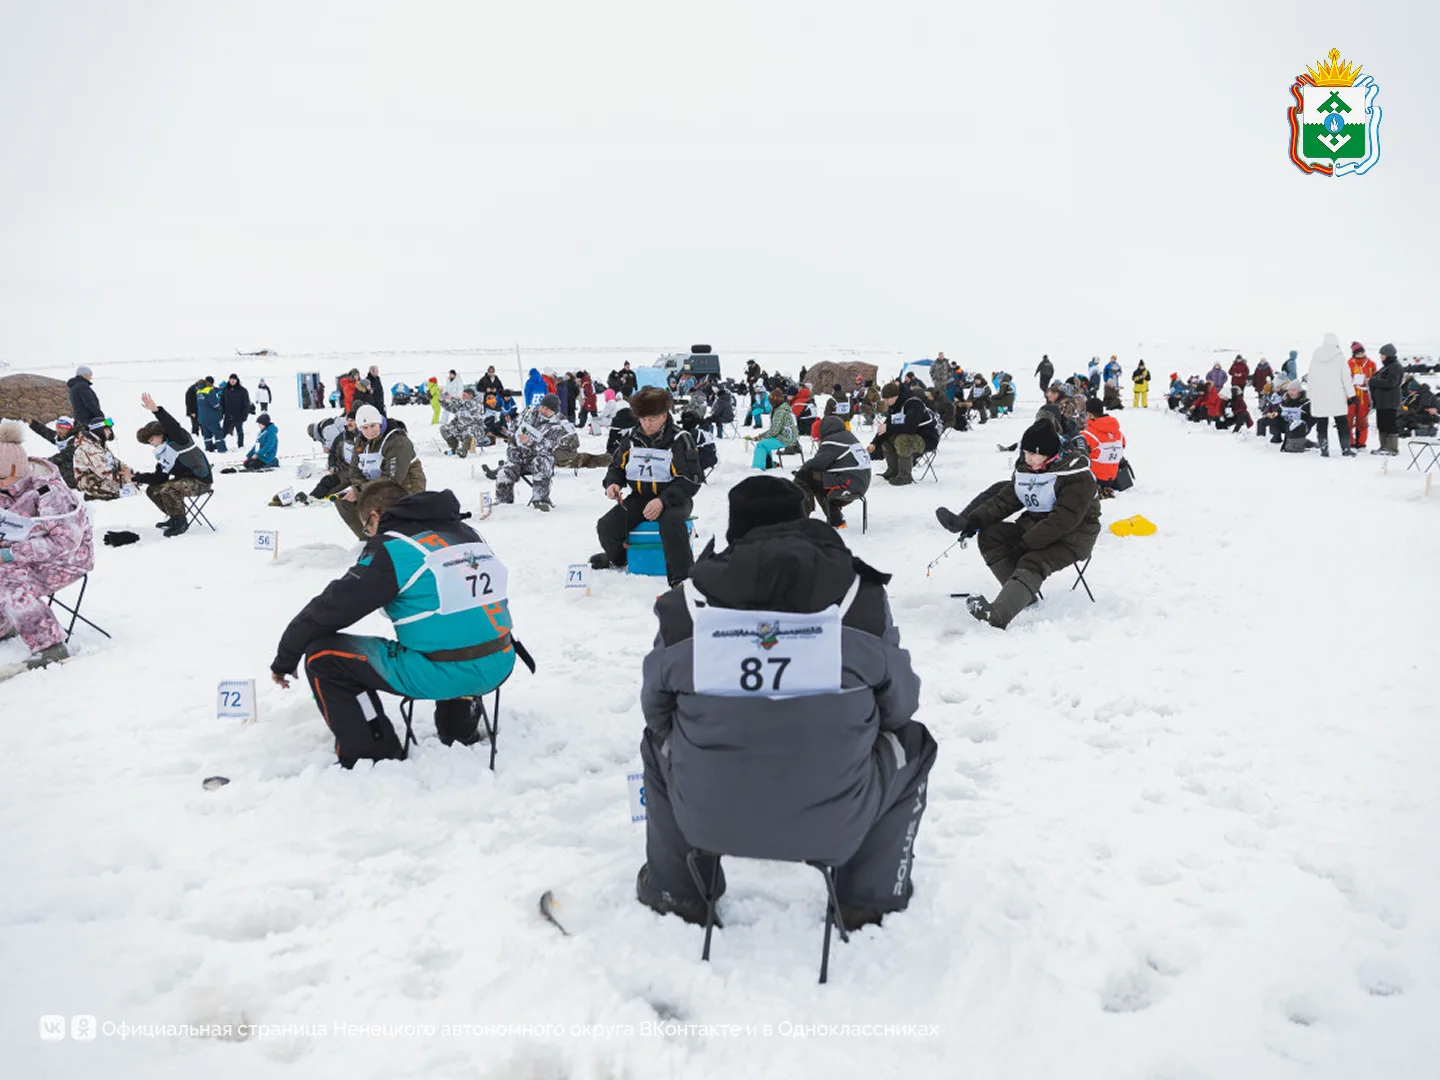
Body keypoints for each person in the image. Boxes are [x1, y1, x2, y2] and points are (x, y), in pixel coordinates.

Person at [633, 476, 935, 928]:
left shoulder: (686, 605)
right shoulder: (861, 598)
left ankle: (678, 891)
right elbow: (900, 706)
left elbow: (656, 711)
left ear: (734, 530)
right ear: (803, 520)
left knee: (656, 744)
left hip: (707, 818)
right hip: (839, 820)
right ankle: (868, 898)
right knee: (913, 742)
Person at [270, 481, 529, 768]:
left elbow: (331, 608)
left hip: (444, 672)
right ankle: (458, 720)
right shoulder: (467, 533)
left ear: (375, 515)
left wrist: (286, 657)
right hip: (500, 660)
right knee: (453, 625)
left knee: (323, 655)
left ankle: (372, 751)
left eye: (366, 528)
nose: (369, 535)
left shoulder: (394, 546)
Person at [934, 419, 1100, 630]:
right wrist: (974, 521)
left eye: (1033, 454)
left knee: (1033, 559)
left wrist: (1024, 544)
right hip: (1035, 527)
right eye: (1025, 452)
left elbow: (1062, 521)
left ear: (1049, 453)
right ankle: (1019, 595)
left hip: (1074, 536)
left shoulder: (1077, 476)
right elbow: (1004, 501)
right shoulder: (1029, 469)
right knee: (990, 535)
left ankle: (999, 614)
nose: (1027, 458)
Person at [0, 422, 95, 671]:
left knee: (8, 582)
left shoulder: (49, 492)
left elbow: (66, 541)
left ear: (15, 470)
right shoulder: (6, 487)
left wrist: (9, 554)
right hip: (22, 555)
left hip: (67, 559)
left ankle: (50, 647)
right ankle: (5, 625)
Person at [590, 387, 701, 587]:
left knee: (671, 524)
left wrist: (663, 501)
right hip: (640, 497)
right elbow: (617, 467)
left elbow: (691, 479)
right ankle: (620, 558)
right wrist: (613, 482)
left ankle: (681, 578)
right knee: (607, 526)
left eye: (652, 419)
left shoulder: (680, 439)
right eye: (643, 419)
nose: (647, 424)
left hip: (674, 499)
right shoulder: (632, 438)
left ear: (664, 415)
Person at [129, 392, 213, 536]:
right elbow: (159, 478)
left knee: (169, 489)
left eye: (152, 439)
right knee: (153, 490)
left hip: (201, 481)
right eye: (149, 442)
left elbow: (172, 426)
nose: (151, 443)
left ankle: (180, 523)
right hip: (183, 481)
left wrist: (156, 410)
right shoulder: (163, 453)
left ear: (160, 434)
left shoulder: (179, 440)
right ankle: (174, 517)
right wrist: (135, 477)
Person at [338, 405, 426, 538]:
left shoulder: (397, 441)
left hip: (404, 487)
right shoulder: (361, 441)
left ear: (379, 422)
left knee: (383, 507)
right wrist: (359, 487)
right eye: (365, 428)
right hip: (375, 487)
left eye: (373, 426)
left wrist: (360, 490)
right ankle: (369, 538)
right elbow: (354, 469)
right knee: (344, 502)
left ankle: (394, 537)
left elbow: (393, 478)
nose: (370, 431)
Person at [490, 394, 572, 511]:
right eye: (543, 407)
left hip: (538, 459)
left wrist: (530, 442)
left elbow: (549, 447)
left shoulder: (557, 426)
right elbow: (514, 427)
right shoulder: (529, 412)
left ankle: (540, 500)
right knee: (504, 473)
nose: (544, 411)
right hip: (518, 457)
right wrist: (513, 436)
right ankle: (503, 504)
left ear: (554, 411)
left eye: (548, 409)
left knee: (541, 463)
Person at [793, 415, 872, 528]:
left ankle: (799, 517)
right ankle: (836, 520)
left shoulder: (833, 441)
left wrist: (801, 469)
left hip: (848, 484)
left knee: (803, 477)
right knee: (818, 482)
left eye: (817, 439)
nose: (818, 443)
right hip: (857, 483)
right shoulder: (847, 437)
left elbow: (818, 464)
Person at [868, 381, 938, 486]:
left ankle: (905, 476)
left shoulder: (914, 404)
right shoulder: (895, 406)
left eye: (887, 399)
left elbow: (910, 428)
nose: (885, 402)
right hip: (910, 437)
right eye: (884, 399)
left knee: (902, 439)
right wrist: (874, 444)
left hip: (927, 438)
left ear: (896, 396)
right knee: (887, 439)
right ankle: (893, 470)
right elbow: (885, 428)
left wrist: (888, 428)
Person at [1307, 333, 1357, 457]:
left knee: (1321, 423)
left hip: (1319, 396)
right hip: (1337, 396)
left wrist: (1310, 395)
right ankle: (1346, 449)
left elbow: (1310, 377)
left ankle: (1324, 449)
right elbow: (1346, 378)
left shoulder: (1316, 356)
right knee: (1342, 422)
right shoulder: (1339, 356)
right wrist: (1352, 394)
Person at [71, 421, 132, 500]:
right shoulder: (87, 448)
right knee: (128, 492)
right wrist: (126, 478)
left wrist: (128, 471)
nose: (110, 432)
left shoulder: (98, 443)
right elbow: (104, 472)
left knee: (132, 486)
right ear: (99, 430)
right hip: (92, 483)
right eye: (107, 429)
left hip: (104, 478)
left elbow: (113, 460)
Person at [1082, 399, 1126, 498]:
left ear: (1090, 415)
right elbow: (1123, 446)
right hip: (1112, 477)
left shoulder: (1087, 434)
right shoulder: (1119, 433)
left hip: (1094, 478)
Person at [1368, 343, 1405, 456]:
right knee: (1382, 424)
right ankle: (1384, 446)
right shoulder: (1386, 367)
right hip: (1382, 402)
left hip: (1390, 401)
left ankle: (1392, 448)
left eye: (1383, 354)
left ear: (1388, 354)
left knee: (1389, 425)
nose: (1381, 356)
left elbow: (1391, 382)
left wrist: (1373, 381)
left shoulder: (1395, 366)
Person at [747, 390, 799, 469]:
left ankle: (758, 467)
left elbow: (774, 431)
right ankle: (769, 464)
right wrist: (762, 436)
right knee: (765, 443)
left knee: (761, 444)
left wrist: (760, 436)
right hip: (791, 436)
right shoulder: (786, 408)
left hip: (786, 438)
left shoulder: (780, 412)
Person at [26, 416, 77, 489]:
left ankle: (74, 485)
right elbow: (46, 432)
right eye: (58, 428)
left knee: (61, 463)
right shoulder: (61, 438)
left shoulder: (76, 440)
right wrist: (32, 423)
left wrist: (44, 462)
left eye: (62, 428)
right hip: (71, 468)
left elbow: (64, 456)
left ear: (69, 429)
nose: (59, 431)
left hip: (79, 469)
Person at [1347, 342, 1377, 451]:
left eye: (1361, 352)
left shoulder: (1371, 364)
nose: (1360, 354)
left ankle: (1361, 443)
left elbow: (1376, 378)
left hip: (1365, 395)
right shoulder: (1349, 363)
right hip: (1351, 394)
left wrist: (1371, 381)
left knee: (1362, 419)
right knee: (1349, 419)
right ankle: (1350, 442)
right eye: (1357, 353)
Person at [440, 389, 486, 457]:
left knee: (469, 431)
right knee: (444, 429)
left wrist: (452, 398)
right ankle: (455, 448)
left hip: (474, 429)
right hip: (460, 428)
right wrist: (442, 400)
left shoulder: (477, 404)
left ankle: (463, 451)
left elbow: (467, 403)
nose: (463, 397)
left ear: (471, 396)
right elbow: (450, 407)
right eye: (463, 395)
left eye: (465, 395)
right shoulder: (460, 404)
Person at [67, 365, 105, 431]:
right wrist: (100, 416)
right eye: (90, 374)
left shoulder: (74, 386)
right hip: (88, 419)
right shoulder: (82, 386)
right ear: (84, 375)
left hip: (80, 418)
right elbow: (90, 402)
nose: (91, 377)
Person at [195, 376, 227, 452]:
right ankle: (222, 449)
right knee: (218, 433)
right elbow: (215, 404)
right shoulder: (209, 390)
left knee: (207, 434)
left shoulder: (199, 391)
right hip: (211, 417)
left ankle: (209, 448)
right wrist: (221, 408)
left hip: (202, 417)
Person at [221, 373, 252, 449]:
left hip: (238, 415)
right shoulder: (225, 390)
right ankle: (220, 445)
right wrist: (221, 413)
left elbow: (246, 404)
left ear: (237, 380)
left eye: (234, 379)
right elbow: (222, 402)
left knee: (239, 432)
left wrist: (245, 415)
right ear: (229, 380)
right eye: (231, 379)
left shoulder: (243, 390)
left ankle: (240, 445)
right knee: (224, 432)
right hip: (228, 414)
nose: (232, 381)